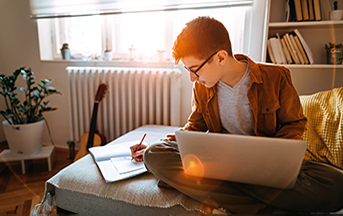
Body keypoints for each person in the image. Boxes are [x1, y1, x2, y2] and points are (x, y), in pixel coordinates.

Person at [131, 16, 343, 214]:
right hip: (220, 162)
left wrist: (275, 160)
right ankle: (258, 208)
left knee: (336, 184)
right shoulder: (202, 88)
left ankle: (224, 194)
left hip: (264, 165)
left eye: (195, 70)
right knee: (154, 154)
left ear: (221, 57)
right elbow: (193, 128)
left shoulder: (276, 77)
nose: (192, 79)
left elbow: (295, 123)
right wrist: (156, 144)